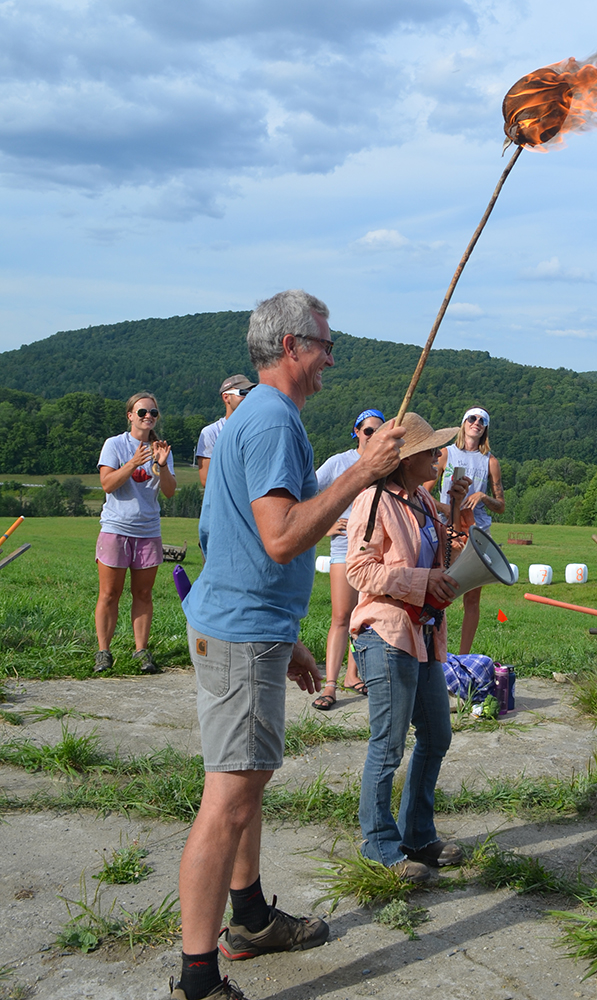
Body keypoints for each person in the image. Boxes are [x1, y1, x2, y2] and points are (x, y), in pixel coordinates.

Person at [171, 290, 404, 1000]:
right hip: (240, 636)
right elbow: (279, 537)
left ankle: (248, 919)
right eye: (326, 343)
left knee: (247, 788)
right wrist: (362, 472)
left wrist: (285, 636)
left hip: (247, 630)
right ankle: (198, 978)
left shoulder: (262, 417)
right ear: (293, 346)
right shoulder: (273, 421)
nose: (333, 356)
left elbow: (229, 537)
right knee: (229, 800)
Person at [347, 413, 470, 883]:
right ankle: (380, 846)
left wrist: (455, 513)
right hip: (386, 633)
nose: (440, 457)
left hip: (422, 634)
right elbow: (359, 570)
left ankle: (417, 835)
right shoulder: (372, 500)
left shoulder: (423, 502)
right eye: (431, 451)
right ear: (406, 458)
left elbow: (448, 560)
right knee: (389, 743)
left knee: (437, 735)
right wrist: (421, 581)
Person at [94, 392, 176, 675]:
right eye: (142, 412)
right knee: (109, 593)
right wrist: (131, 462)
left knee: (143, 593)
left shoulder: (161, 448)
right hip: (116, 528)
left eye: (153, 413)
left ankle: (141, 650)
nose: (148, 417)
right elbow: (107, 484)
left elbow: (168, 491)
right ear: (130, 415)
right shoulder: (114, 444)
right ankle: (104, 651)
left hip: (148, 530)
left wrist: (162, 464)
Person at [312, 408, 386, 709]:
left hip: (375, 551)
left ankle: (353, 676)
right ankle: (330, 686)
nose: (373, 436)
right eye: (368, 431)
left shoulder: (386, 465)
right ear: (356, 431)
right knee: (342, 617)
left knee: (364, 619)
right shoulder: (339, 462)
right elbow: (308, 492)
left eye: (379, 432)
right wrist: (325, 526)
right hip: (344, 548)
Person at [435, 406, 505, 654]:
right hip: (447, 530)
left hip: (478, 535)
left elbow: (501, 506)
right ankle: (435, 653)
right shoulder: (445, 454)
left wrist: (483, 497)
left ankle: (463, 657)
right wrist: (443, 506)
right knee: (438, 591)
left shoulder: (491, 461)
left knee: (472, 598)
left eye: (482, 420)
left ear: (485, 428)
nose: (476, 422)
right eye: (472, 418)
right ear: (463, 423)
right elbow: (421, 490)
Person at [195, 375, 256, 488]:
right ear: (226, 397)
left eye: (251, 393)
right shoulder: (211, 433)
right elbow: (206, 480)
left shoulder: (257, 430)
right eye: (243, 393)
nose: (248, 397)